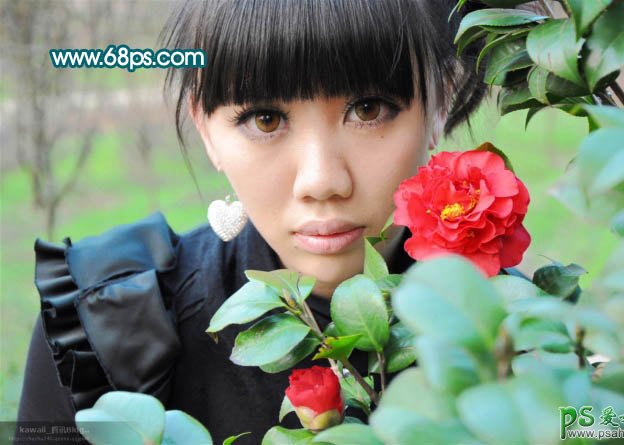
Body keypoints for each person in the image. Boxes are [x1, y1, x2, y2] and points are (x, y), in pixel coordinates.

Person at [16, 0, 486, 443]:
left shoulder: (513, 332)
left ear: (440, 100)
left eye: (368, 110)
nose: (322, 181)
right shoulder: (103, 333)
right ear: (205, 127)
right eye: (265, 120)